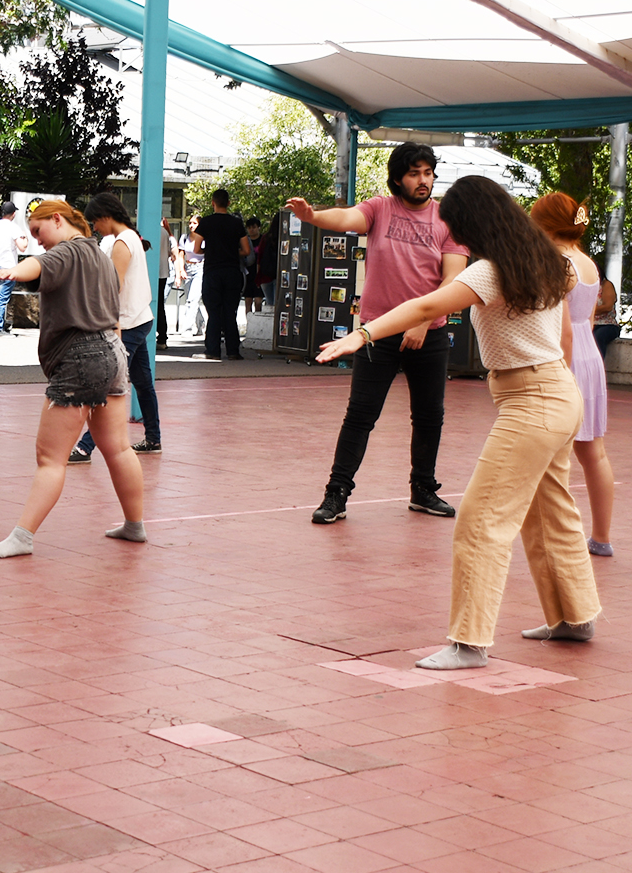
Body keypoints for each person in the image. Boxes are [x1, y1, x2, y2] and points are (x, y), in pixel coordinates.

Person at [316, 175, 599, 669]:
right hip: (557, 392)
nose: (452, 234)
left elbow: (427, 305)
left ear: (472, 223)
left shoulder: (490, 272)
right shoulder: (545, 261)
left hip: (532, 400)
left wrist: (362, 335)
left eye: (454, 225)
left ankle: (470, 643)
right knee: (551, 511)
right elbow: (564, 339)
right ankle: (575, 618)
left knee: (482, 519)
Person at [288, 143, 468, 525]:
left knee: (429, 416)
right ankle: (336, 494)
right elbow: (346, 218)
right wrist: (312, 216)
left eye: (428, 173)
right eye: (415, 173)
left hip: (428, 333)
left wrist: (423, 321)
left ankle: (423, 489)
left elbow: (453, 279)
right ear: (398, 178)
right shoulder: (380, 209)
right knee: (360, 415)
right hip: (376, 332)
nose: (423, 180)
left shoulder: (449, 220)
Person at [0, 200, 145, 558]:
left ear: (57, 219)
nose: (37, 240)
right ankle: (135, 525)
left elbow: (39, 264)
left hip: (80, 359)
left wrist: (11, 271)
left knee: (50, 457)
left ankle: (22, 537)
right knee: (118, 448)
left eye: (38, 230)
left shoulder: (67, 251)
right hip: (112, 351)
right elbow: (113, 313)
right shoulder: (101, 255)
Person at [532, 194, 615, 557]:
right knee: (594, 452)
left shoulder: (556, 264)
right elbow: (588, 320)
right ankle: (601, 536)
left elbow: (562, 328)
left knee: (554, 453)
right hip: (589, 355)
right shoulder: (588, 264)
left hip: (564, 356)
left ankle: (557, 536)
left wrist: (561, 372)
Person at [70, 192, 161, 461]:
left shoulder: (122, 242)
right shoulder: (131, 237)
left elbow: (114, 287)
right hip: (140, 318)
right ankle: (153, 438)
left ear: (106, 216)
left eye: (96, 222)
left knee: (109, 384)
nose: (95, 227)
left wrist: (110, 324)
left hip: (129, 323)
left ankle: (85, 447)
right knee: (143, 383)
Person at [195, 189, 249, 360]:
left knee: (213, 311)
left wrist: (210, 250)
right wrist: (231, 252)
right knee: (230, 311)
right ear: (229, 203)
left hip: (212, 271)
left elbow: (196, 248)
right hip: (232, 271)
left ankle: (213, 350)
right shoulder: (236, 223)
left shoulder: (206, 222)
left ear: (213, 203)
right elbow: (246, 250)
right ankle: (233, 350)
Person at [0, 200, 25, 335]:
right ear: (13, 214)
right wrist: (25, 238)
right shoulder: (13, 228)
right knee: (2, 299)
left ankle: (2, 324)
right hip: (8, 267)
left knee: (1, 297)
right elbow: (22, 247)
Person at [592, 277, 621, 352]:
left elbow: (607, 307)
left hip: (607, 324)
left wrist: (587, 312)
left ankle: (598, 359)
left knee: (598, 337)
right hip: (588, 325)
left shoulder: (606, 285)